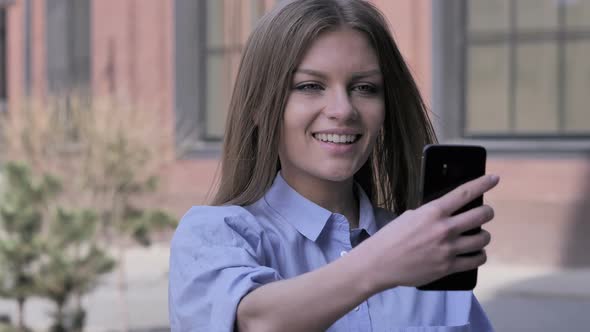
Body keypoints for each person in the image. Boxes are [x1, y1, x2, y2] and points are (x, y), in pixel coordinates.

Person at [168, 0, 499, 331]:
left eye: (364, 88)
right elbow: (253, 322)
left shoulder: (428, 244)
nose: (343, 110)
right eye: (310, 86)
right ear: (258, 105)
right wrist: (380, 263)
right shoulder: (216, 236)